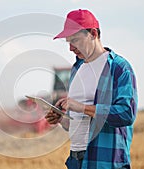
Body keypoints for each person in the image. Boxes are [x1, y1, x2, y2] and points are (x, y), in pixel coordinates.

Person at [45, 9, 138, 169]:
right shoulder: (77, 69)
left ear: (93, 33)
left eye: (75, 40)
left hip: (105, 161)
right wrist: (61, 119)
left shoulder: (119, 68)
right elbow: (79, 123)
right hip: (76, 160)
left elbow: (126, 114)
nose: (71, 48)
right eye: (68, 42)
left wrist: (80, 107)